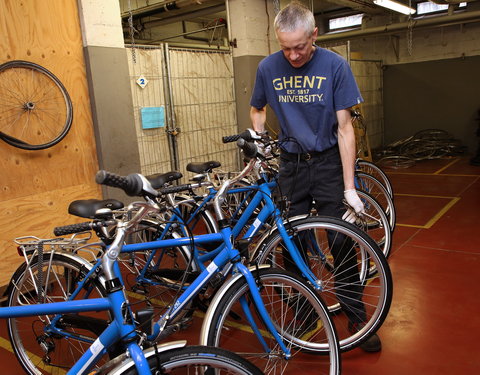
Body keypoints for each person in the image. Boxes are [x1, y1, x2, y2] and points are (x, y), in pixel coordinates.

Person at [249, 1, 381, 352]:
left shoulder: (335, 66)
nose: (292, 56)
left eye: (300, 47)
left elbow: (344, 128)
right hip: (291, 166)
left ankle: (356, 315)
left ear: (314, 35)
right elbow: (257, 107)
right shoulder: (267, 67)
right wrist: (261, 141)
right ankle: (305, 311)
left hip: (327, 164)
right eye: (285, 48)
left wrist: (350, 187)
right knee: (291, 243)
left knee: (341, 240)